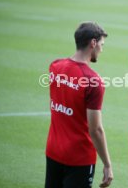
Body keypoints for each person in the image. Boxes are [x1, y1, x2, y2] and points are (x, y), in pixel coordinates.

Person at [45, 22, 113, 188]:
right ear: (93, 43)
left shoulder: (55, 66)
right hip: (79, 158)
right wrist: (107, 164)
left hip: (53, 150)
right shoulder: (93, 81)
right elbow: (95, 129)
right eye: (101, 45)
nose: (102, 50)